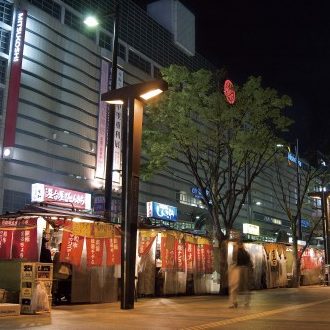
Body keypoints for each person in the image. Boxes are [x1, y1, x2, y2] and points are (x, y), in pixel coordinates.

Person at [229, 241, 252, 308]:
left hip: (238, 269)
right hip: (242, 269)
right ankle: (242, 303)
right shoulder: (245, 253)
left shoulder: (240, 253)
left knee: (235, 287)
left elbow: (234, 261)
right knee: (243, 287)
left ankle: (235, 302)